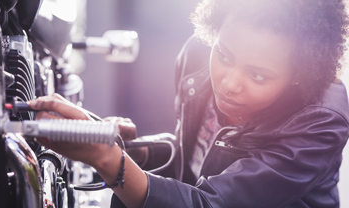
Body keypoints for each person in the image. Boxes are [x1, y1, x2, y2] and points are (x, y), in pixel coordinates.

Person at [28, 0, 349, 207]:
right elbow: (194, 153)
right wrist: (127, 147)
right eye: (224, 55)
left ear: (299, 75)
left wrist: (108, 160)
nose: (229, 82)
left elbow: (213, 203)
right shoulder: (198, 53)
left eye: (258, 76)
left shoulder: (322, 120)